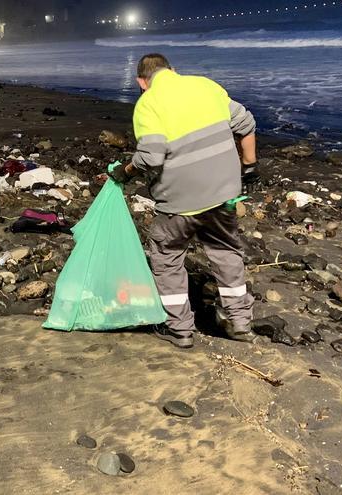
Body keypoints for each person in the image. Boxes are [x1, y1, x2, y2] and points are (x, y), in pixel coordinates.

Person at [105, 53, 260, 349]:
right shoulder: (205, 86)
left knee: (167, 257)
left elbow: (151, 156)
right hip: (222, 196)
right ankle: (239, 322)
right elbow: (247, 124)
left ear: (141, 82)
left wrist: (124, 172)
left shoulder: (148, 104)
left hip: (178, 203)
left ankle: (180, 330)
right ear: (173, 70)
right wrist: (250, 166)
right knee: (227, 253)